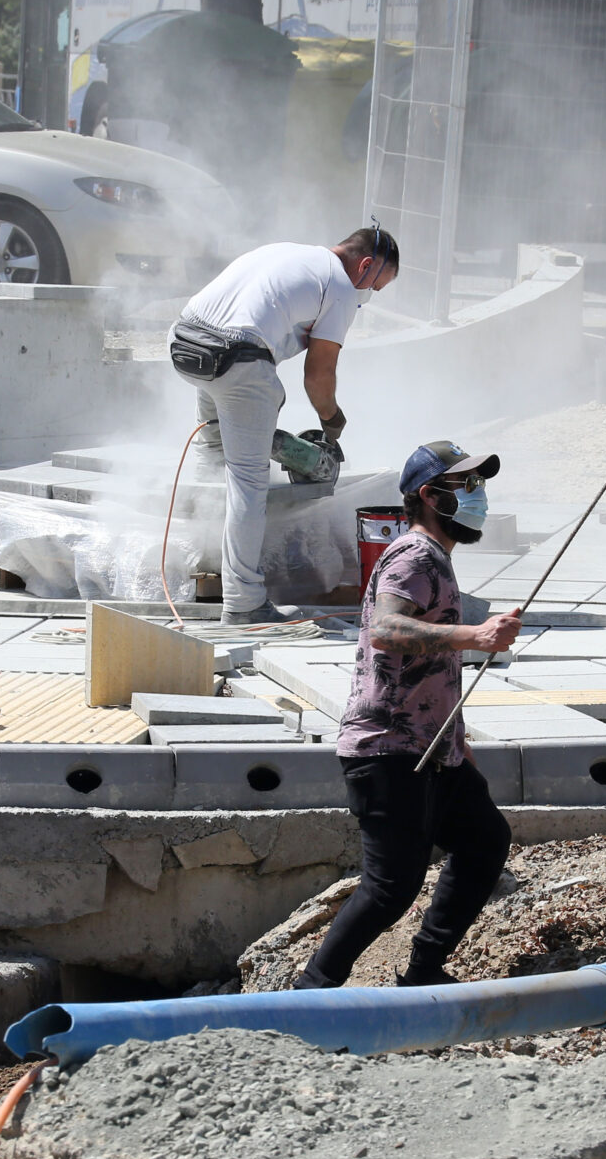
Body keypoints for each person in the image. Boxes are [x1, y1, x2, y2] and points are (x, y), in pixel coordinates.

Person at [295, 441, 524, 989]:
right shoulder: (415, 556)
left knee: (484, 840)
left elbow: (430, 663)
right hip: (389, 750)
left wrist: (457, 737)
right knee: (391, 886)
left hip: (432, 749)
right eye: (466, 487)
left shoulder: (435, 558)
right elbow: (386, 630)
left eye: (480, 486)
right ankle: (314, 990)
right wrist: (476, 634)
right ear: (429, 496)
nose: (479, 498)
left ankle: (423, 972)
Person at [168, 227, 399, 624]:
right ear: (364, 265)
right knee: (248, 482)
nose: (368, 297)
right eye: (375, 287)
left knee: (213, 450)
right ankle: (243, 603)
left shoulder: (287, 251)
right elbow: (318, 377)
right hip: (236, 360)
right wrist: (332, 419)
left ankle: (199, 557)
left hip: (186, 345)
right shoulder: (342, 287)